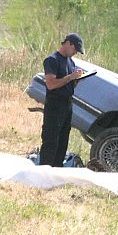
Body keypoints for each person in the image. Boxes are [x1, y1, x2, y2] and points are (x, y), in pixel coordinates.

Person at [38, 33, 85, 167]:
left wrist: (76, 80)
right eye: (75, 49)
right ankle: (45, 169)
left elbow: (68, 84)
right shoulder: (52, 60)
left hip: (67, 104)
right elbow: (51, 84)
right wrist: (70, 77)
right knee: (51, 140)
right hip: (54, 105)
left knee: (63, 140)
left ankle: (57, 169)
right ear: (68, 43)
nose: (75, 52)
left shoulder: (71, 62)